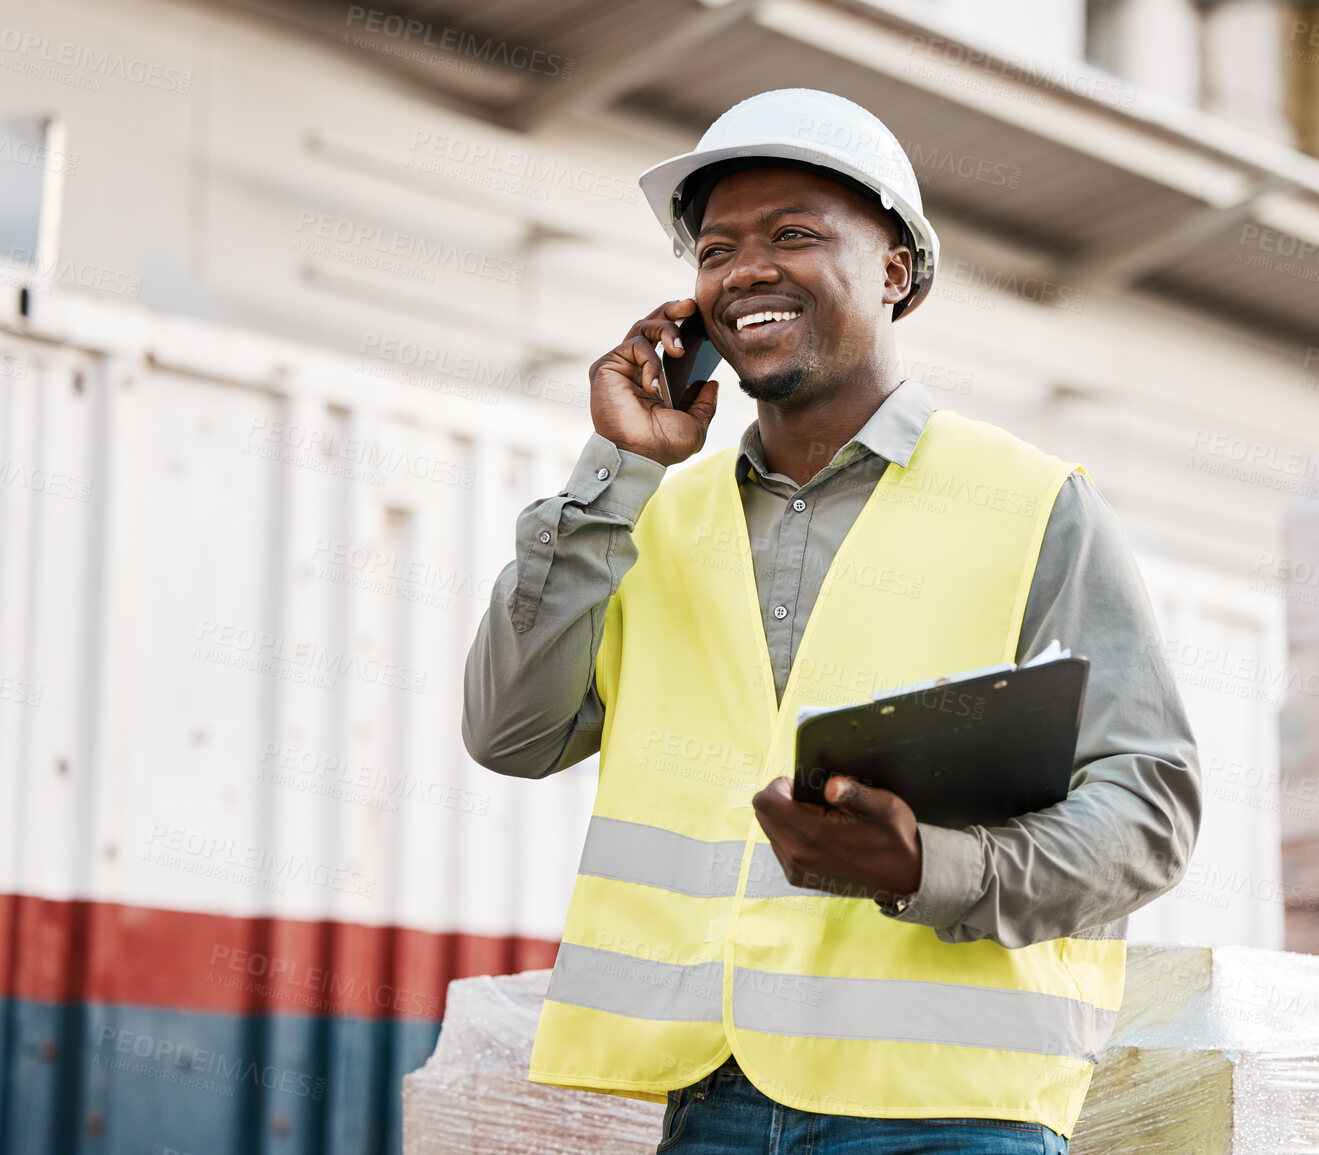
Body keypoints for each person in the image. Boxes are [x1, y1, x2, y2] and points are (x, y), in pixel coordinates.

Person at [462, 88, 1200, 1154]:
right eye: (715, 252)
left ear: (896, 269)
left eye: (793, 235)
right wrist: (616, 467)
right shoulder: (644, 517)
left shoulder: (1033, 502)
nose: (744, 271)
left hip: (949, 1115)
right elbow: (510, 735)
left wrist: (929, 870)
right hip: (709, 1099)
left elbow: (1150, 809)